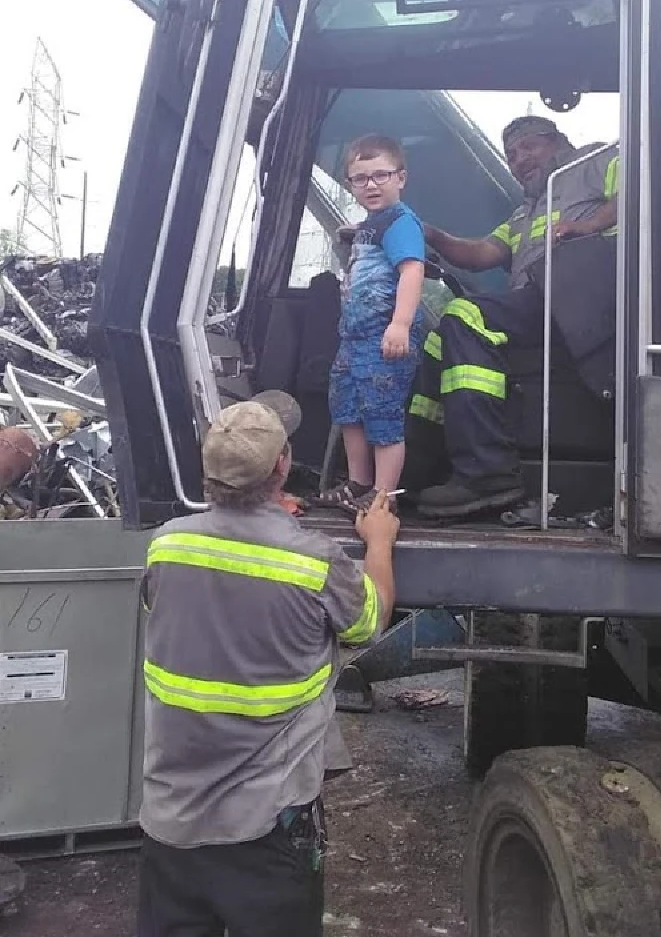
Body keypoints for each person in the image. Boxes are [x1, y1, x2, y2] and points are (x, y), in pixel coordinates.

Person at [137, 390, 399, 937]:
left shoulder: (166, 545)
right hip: (267, 827)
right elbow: (367, 622)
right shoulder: (311, 560)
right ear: (282, 467)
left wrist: (262, 517)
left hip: (170, 821)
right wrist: (378, 544)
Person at [408, 115, 618, 519]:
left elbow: (640, 194)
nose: (519, 159)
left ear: (558, 142)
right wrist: (429, 234)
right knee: (440, 335)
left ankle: (488, 473)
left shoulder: (597, 160)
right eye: (512, 155)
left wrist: (585, 226)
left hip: (584, 301)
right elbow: (482, 252)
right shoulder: (524, 213)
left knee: (466, 313)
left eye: (529, 147)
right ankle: (415, 468)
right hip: (537, 303)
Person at [319, 133, 426, 515]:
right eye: (360, 178)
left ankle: (384, 498)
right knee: (347, 408)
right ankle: (358, 482)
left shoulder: (400, 222)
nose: (371, 185)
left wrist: (399, 324)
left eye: (381, 175)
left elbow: (412, 269)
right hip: (355, 338)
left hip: (385, 336)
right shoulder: (373, 224)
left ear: (401, 177)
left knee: (382, 414)